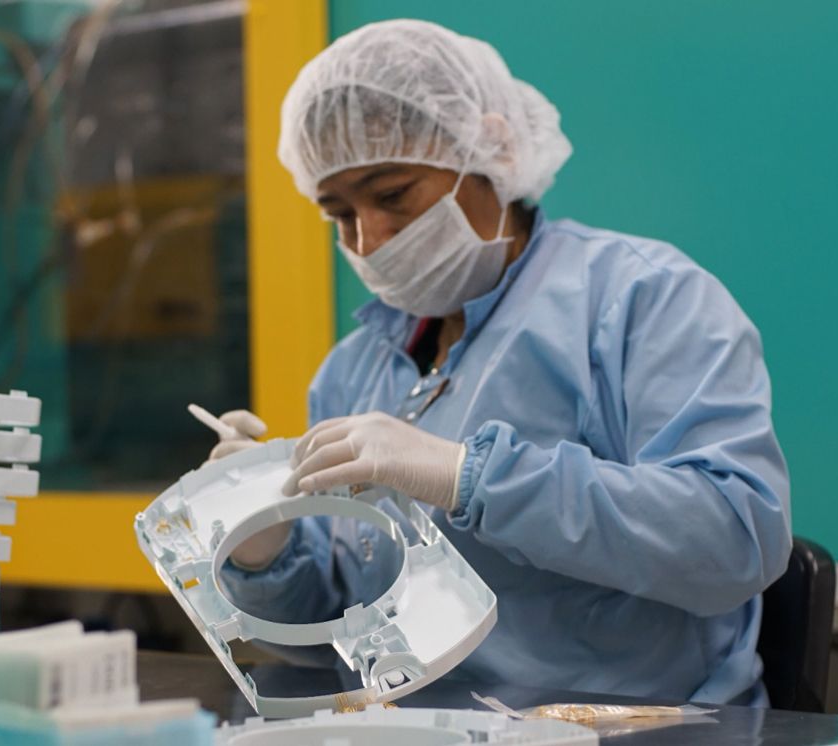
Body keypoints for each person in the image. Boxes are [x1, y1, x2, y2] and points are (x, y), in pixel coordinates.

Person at [206, 19, 791, 706]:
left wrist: (470, 478)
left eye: (393, 195)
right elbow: (337, 630)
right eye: (338, 213)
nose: (370, 238)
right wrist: (263, 549)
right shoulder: (353, 371)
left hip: (637, 728)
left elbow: (733, 540)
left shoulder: (640, 300)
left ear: (492, 150)